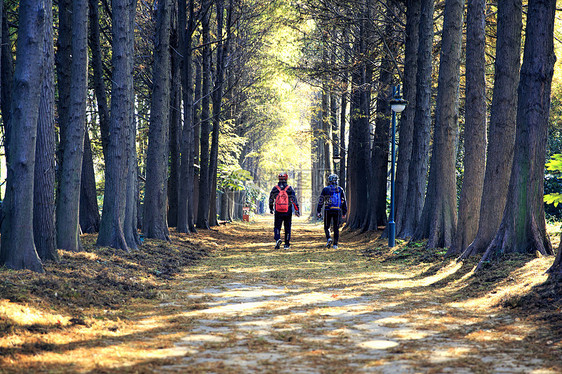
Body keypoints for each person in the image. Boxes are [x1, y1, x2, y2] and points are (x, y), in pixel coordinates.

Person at [269, 172, 300, 249]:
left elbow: (271, 199)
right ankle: (286, 244)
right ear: (286, 178)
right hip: (287, 211)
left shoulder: (275, 188)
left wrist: (271, 208)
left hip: (278, 210)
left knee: (277, 226)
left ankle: (277, 239)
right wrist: (297, 210)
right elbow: (294, 200)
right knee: (287, 227)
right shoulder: (289, 188)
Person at [317, 174, 347, 249]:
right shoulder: (340, 189)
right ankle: (335, 244)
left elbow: (321, 201)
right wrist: (344, 212)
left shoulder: (325, 189)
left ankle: (329, 238)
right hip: (337, 210)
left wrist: (318, 211)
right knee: (336, 227)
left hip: (328, 210)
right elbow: (343, 201)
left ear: (329, 181)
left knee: (327, 226)